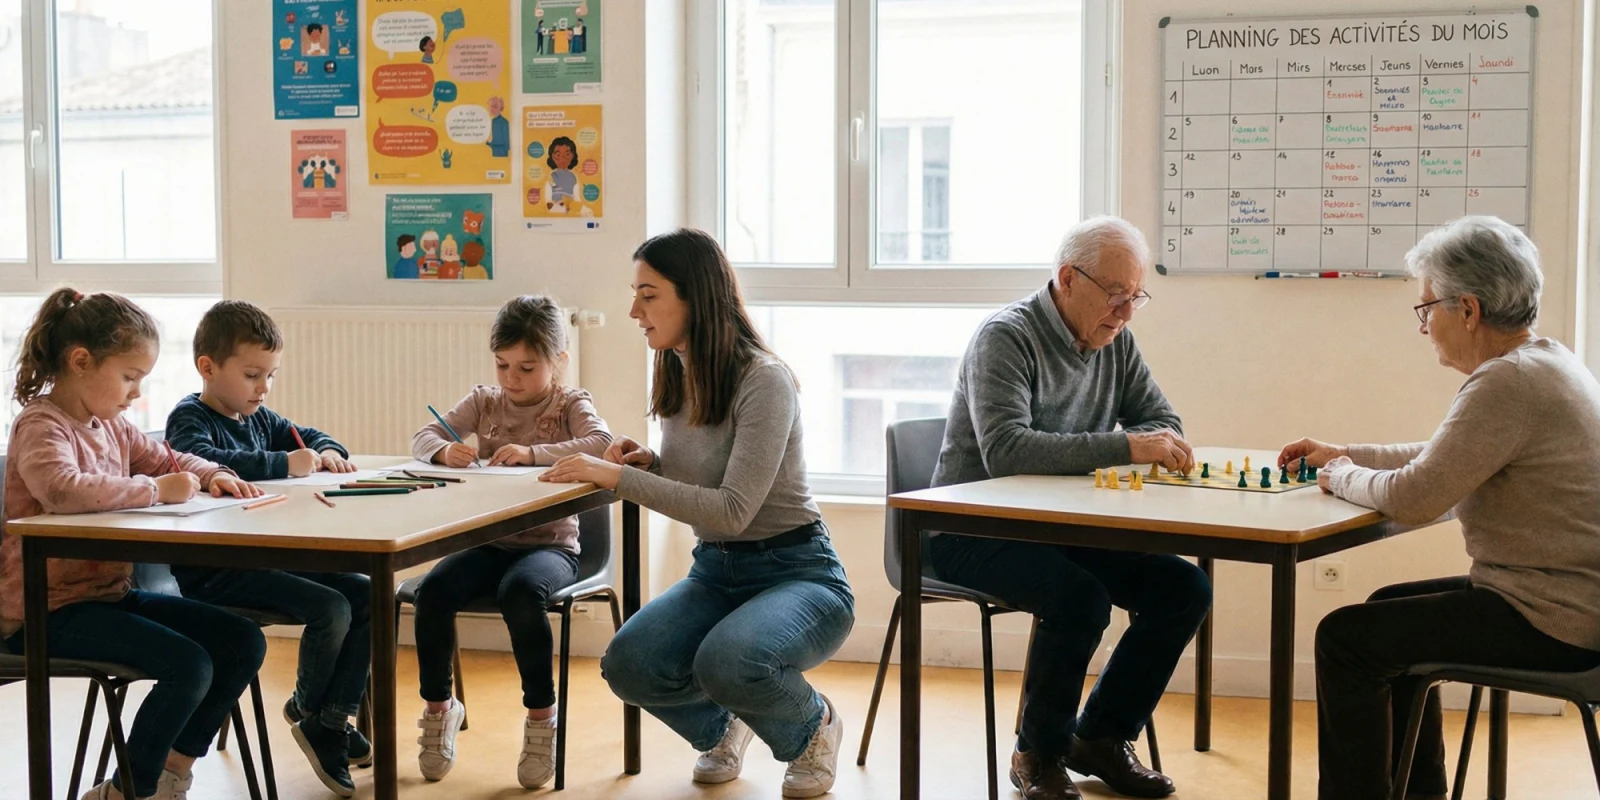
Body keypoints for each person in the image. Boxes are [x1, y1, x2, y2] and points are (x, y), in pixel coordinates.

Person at [1280, 216, 1600, 800]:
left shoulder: (1507, 384)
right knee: (1384, 613)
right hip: (1560, 600)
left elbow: (1417, 495)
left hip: (1552, 618)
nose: (1424, 326)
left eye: (1427, 309)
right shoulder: (1548, 362)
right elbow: (1449, 458)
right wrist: (1349, 453)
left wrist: (1340, 474)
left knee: (1346, 638)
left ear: (1469, 309)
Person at [542, 229, 855, 798]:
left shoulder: (765, 380)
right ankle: (723, 727)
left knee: (725, 662)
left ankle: (814, 727)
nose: (634, 311)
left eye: (649, 294)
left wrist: (620, 477)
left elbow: (734, 510)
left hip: (799, 572)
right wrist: (652, 464)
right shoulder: (680, 369)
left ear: (696, 296)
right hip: (717, 570)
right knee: (628, 664)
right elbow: (709, 481)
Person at [929, 216, 1209, 800]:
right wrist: (1126, 447)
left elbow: (1164, 422)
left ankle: (1100, 736)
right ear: (1067, 279)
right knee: (1078, 598)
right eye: (1115, 295)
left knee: (1183, 588)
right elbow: (1007, 450)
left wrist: (1145, 441)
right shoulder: (1005, 336)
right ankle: (1039, 753)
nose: (1126, 312)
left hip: (1057, 528)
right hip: (971, 531)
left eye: (1136, 298)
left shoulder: (1116, 341)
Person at [0, 288, 266, 800]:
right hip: (44, 610)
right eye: (129, 377)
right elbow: (61, 488)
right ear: (80, 362)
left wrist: (213, 473)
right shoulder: (41, 424)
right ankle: (129, 792)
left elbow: (169, 459)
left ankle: (169, 772)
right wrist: (153, 492)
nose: (135, 394)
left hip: (106, 597)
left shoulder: (115, 427)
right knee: (189, 665)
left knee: (242, 642)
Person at [164, 300, 370, 797]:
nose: (263, 387)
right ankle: (313, 711)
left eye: (271, 375)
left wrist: (326, 452)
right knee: (332, 606)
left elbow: (313, 435)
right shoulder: (189, 418)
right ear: (208, 368)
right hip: (215, 571)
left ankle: (327, 717)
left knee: (367, 592)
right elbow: (202, 461)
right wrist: (283, 463)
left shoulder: (258, 416)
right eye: (253, 374)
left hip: (267, 557)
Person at [410, 295, 613, 789]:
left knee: (520, 594)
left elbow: (602, 443)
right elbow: (422, 437)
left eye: (526, 367)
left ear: (558, 361)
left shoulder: (570, 404)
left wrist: (532, 452)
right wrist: (444, 452)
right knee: (432, 592)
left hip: (552, 548)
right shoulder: (484, 401)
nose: (511, 378)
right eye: (502, 365)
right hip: (489, 543)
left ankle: (541, 719)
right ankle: (440, 708)